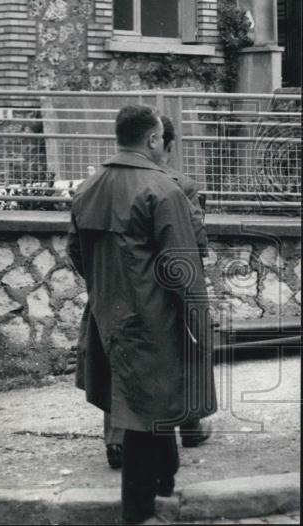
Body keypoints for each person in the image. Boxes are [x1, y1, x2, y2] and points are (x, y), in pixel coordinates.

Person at [69, 105, 216, 525]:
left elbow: (76, 252)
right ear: (153, 139)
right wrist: (199, 325)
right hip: (156, 317)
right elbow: (183, 269)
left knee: (143, 403)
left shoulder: (88, 187)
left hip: (108, 312)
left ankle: (164, 482)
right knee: (144, 410)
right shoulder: (163, 190)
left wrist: (107, 286)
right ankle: (139, 511)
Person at [101, 115, 215, 468]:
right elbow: (192, 243)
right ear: (161, 143)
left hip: (113, 290)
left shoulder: (98, 183)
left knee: (117, 361)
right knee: (183, 352)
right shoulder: (177, 185)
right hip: (163, 289)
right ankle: (190, 428)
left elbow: (78, 249)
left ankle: (117, 440)